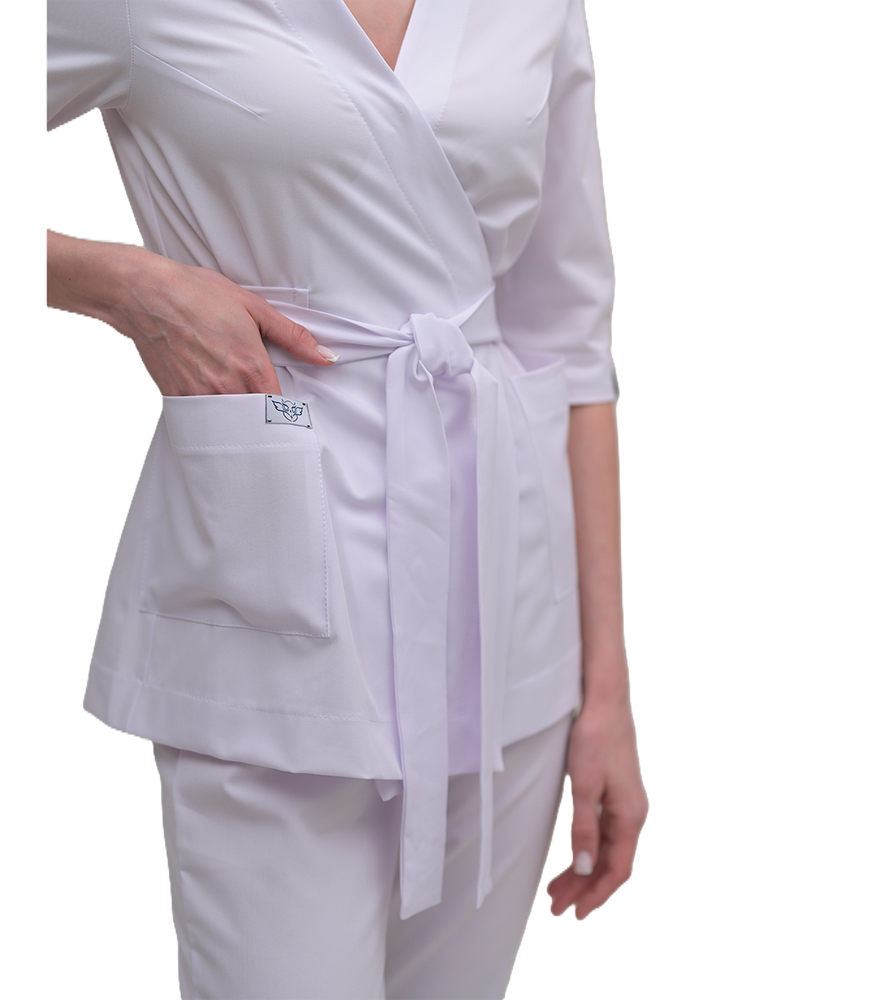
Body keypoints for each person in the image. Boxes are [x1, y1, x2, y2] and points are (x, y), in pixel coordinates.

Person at [45, 1, 648, 997]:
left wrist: (606, 694)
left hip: (505, 629)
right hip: (271, 612)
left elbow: (569, 345)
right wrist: (118, 282)